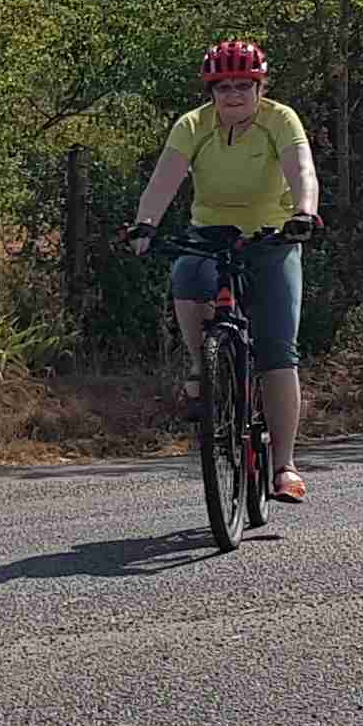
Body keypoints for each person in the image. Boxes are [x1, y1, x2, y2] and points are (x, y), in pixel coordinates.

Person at [119, 39, 322, 501]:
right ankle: (202, 364)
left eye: (244, 86)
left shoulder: (280, 119)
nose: (233, 95)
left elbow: (302, 170)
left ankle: (284, 466)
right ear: (210, 91)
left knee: (277, 350)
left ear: (260, 87)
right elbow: (164, 179)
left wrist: (304, 213)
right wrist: (144, 224)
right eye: (223, 87)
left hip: (273, 235)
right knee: (186, 276)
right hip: (211, 232)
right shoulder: (193, 125)